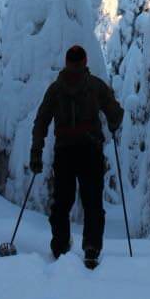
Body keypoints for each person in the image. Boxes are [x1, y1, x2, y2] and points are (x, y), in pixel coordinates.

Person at [30, 44, 124, 268]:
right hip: (90, 151)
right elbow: (116, 113)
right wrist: (112, 122)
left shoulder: (56, 89)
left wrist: (36, 153)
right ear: (85, 62)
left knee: (62, 201)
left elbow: (41, 122)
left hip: (64, 153)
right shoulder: (95, 86)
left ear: (66, 63)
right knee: (92, 202)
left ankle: (60, 245)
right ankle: (91, 248)